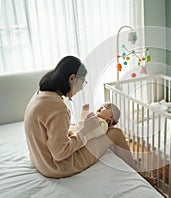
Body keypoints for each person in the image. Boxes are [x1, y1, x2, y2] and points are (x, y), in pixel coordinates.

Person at [24, 56, 154, 185]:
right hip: (57, 166)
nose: (81, 88)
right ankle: (138, 173)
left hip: (39, 160)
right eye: (82, 83)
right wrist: (85, 130)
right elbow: (60, 153)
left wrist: (81, 128)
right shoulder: (58, 107)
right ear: (72, 79)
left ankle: (129, 162)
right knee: (116, 134)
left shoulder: (41, 94)